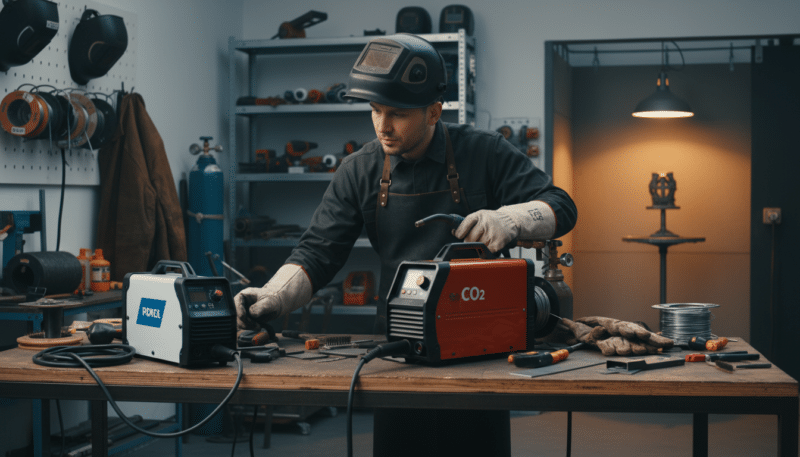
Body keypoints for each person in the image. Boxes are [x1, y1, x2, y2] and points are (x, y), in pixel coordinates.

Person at [234, 33, 578, 457]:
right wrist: (273, 295)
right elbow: (317, 252)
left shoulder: (483, 153)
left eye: (397, 113)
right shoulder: (359, 170)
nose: (382, 126)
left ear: (434, 111)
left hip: (481, 346)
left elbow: (562, 206)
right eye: (376, 111)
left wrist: (511, 218)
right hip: (401, 348)